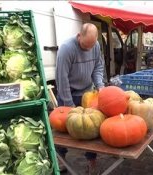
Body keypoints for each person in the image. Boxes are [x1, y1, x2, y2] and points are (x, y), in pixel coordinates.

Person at [55, 23, 105, 172]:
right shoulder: (66, 49)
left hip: (87, 94)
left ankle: (91, 161)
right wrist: (69, 104)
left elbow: (98, 66)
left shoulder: (95, 46)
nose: (88, 49)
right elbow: (61, 78)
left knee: (90, 130)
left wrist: (100, 86)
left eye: (91, 45)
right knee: (62, 131)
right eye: (85, 45)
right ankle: (61, 158)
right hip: (67, 94)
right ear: (79, 36)